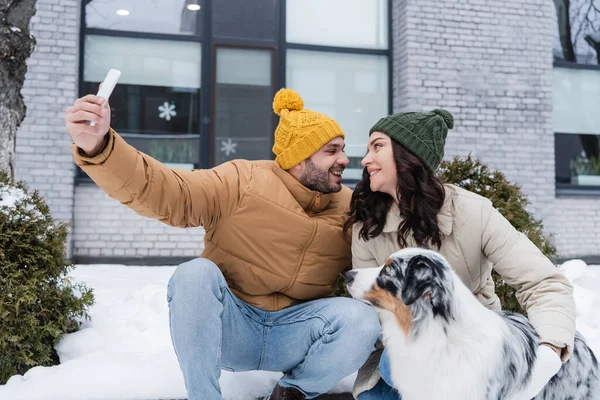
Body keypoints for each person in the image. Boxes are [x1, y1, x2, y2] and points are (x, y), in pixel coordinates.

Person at [65, 88, 381, 400]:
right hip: (232, 329)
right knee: (195, 274)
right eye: (332, 150)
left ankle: (293, 393)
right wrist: (101, 148)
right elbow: (167, 191)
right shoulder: (241, 181)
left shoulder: (350, 208)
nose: (344, 158)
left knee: (361, 320)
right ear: (299, 158)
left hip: (297, 333)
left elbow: (387, 254)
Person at [344, 109, 576, 399]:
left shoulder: (474, 213)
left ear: (408, 155)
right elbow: (371, 310)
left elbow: (543, 282)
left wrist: (550, 352)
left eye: (377, 146)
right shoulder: (369, 224)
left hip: (473, 354)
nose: (365, 159)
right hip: (397, 354)